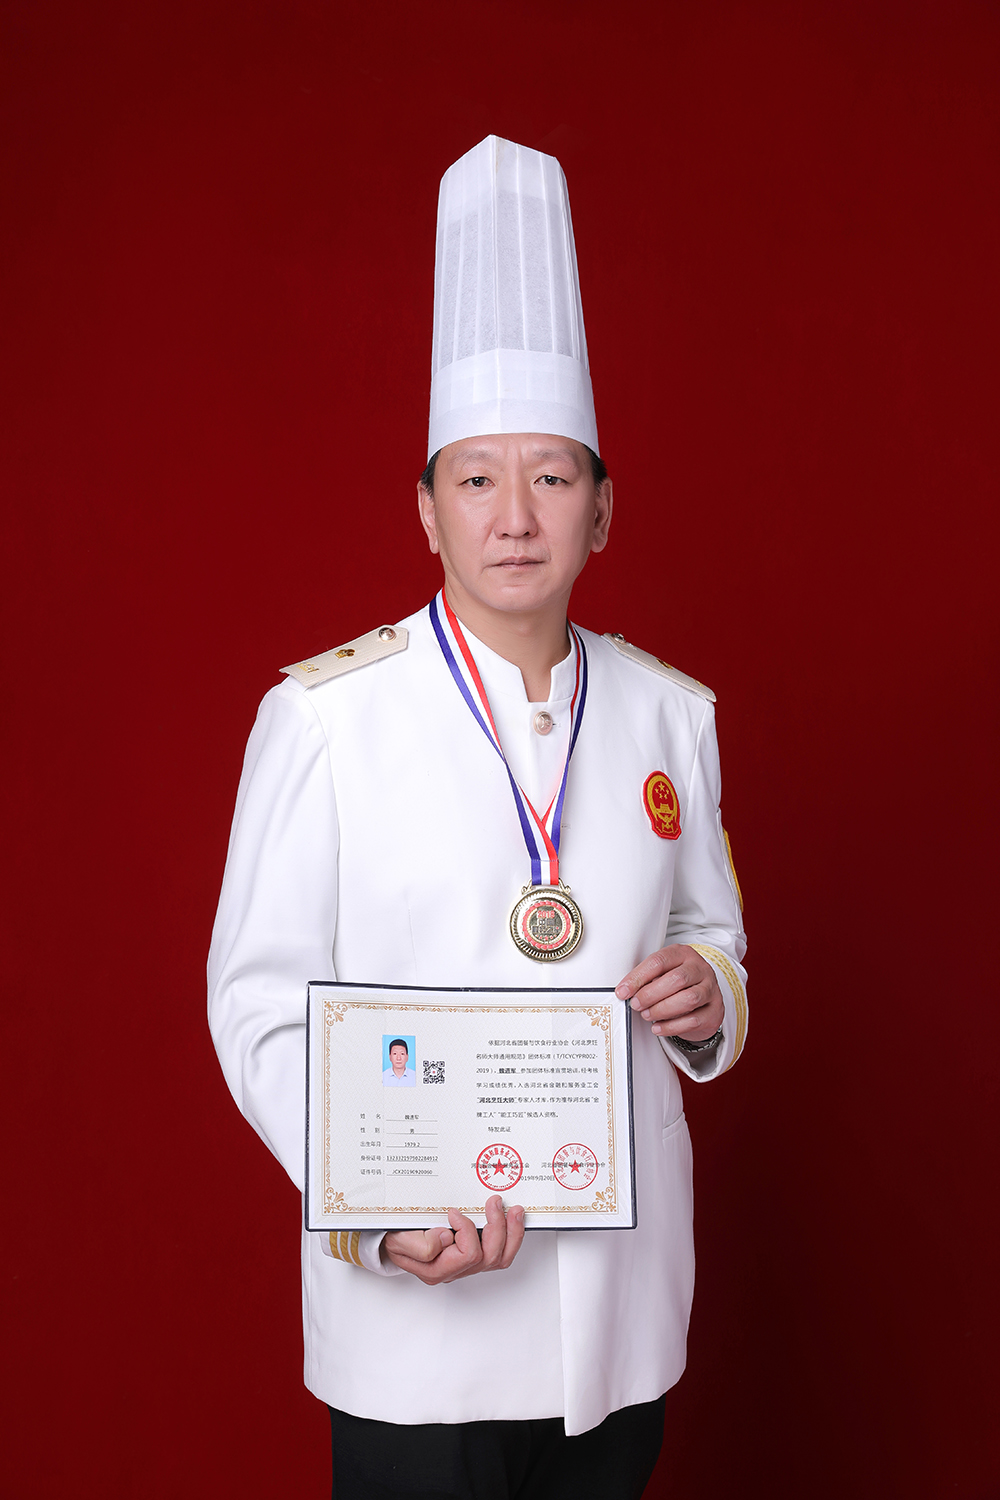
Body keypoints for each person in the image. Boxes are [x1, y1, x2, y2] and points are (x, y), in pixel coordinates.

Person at [208, 135, 747, 1500]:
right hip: (421, 1323)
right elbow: (257, 1004)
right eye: (476, 480)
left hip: (618, 1314)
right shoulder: (327, 719)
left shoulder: (670, 715)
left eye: (552, 477)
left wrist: (711, 993)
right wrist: (374, 1216)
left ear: (602, 511)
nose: (516, 518)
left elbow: (711, 929)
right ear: (427, 511)